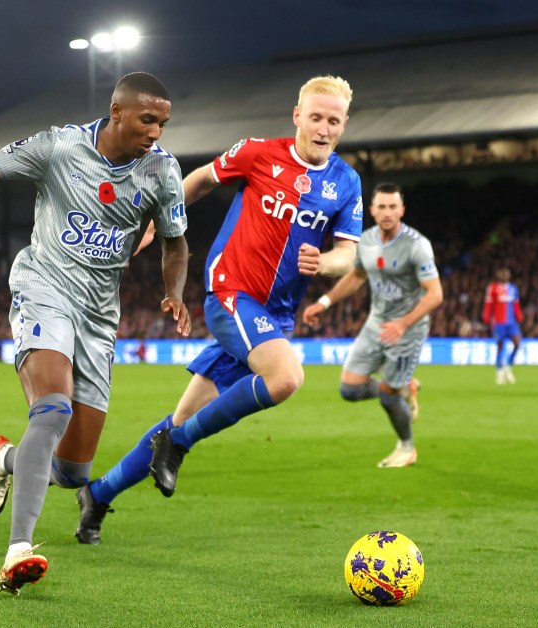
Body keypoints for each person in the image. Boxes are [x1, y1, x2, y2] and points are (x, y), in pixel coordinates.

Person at [0, 72, 191, 596]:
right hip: (43, 288)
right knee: (53, 408)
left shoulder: (162, 172)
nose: (156, 133)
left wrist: (175, 291)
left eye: (163, 123)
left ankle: (3, 457)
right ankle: (17, 552)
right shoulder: (59, 146)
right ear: (117, 112)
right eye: (148, 120)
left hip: (99, 316)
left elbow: (175, 242)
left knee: (74, 472)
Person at [74, 75, 362, 545]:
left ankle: (99, 494)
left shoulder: (347, 182)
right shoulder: (258, 152)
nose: (323, 127)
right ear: (297, 117)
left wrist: (325, 262)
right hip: (231, 294)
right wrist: (156, 222)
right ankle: (179, 446)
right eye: (315, 117)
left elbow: (349, 253)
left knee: (180, 419)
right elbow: (202, 180)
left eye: (333, 120)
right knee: (286, 377)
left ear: (344, 124)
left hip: (275, 315)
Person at [302, 183, 443, 468]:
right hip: (377, 323)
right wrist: (325, 302)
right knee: (349, 390)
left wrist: (403, 324)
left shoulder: (417, 245)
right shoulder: (365, 241)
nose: (387, 212)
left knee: (388, 398)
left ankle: (407, 448)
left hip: (408, 328)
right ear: (372, 210)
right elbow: (356, 277)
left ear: (402, 209)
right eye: (381, 206)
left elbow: (435, 294)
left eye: (393, 206)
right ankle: (405, 386)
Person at [483, 267, 523, 384]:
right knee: (500, 346)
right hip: (499, 322)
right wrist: (486, 316)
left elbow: (516, 304)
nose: (505, 275)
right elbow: (489, 304)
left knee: (517, 344)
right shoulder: (493, 288)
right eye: (503, 274)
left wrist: (519, 316)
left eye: (507, 274)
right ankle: (499, 371)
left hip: (511, 323)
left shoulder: (513, 288)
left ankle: (508, 366)